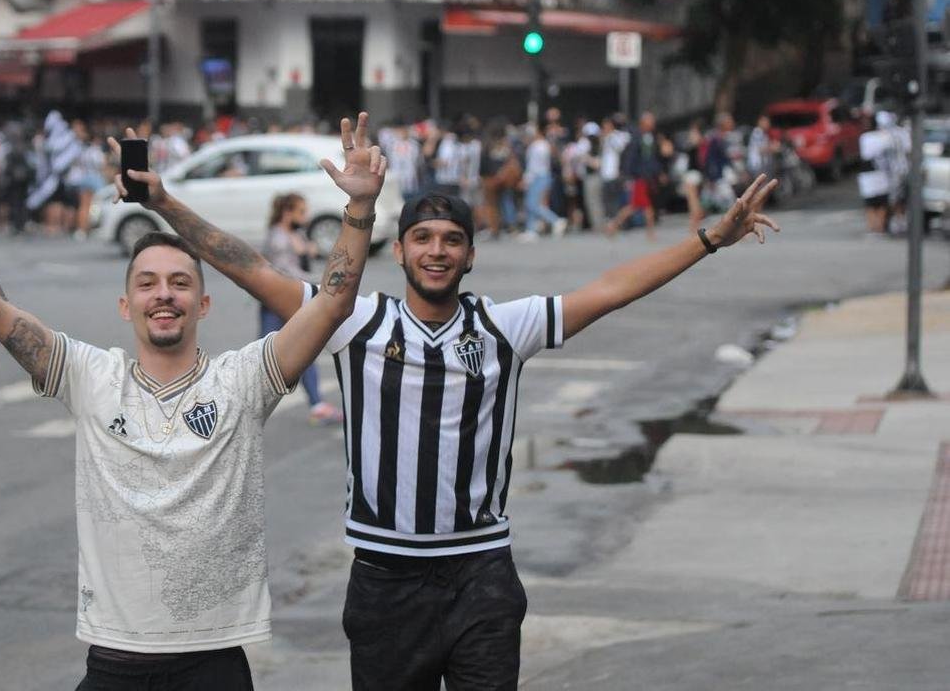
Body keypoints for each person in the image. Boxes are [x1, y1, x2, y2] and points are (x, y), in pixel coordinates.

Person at [125, 131, 782, 690]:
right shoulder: (354, 321)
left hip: (481, 577)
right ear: (402, 248)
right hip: (384, 580)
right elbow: (248, 266)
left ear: (470, 253)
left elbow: (609, 290)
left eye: (449, 239)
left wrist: (708, 238)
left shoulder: (505, 327)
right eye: (421, 237)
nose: (435, 250)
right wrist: (161, 202)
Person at [0, 112, 387, 690]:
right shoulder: (88, 376)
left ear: (202, 306)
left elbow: (330, 305)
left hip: (214, 663)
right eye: (147, 283)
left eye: (181, 283)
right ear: (125, 305)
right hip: (113, 662)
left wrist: (358, 209)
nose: (164, 294)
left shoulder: (244, 380)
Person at [260, 192, 343, 425]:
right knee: (266, 357)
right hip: (276, 304)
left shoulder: (293, 234)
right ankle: (247, 407)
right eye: (301, 212)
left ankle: (317, 405)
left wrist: (308, 252)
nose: (305, 217)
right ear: (287, 212)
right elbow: (286, 274)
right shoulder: (278, 238)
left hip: (290, 303)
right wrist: (322, 279)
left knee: (301, 354)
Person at [605, 111, 664, 240]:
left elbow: (653, 158)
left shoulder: (652, 137)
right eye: (650, 121)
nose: (652, 123)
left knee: (636, 206)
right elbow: (631, 159)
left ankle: (614, 226)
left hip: (648, 177)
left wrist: (658, 172)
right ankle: (649, 233)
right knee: (643, 206)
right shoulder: (636, 137)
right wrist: (629, 175)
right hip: (640, 177)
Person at [517, 121, 567, 242]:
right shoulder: (544, 144)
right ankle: (531, 230)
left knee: (532, 204)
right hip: (543, 176)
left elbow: (533, 166)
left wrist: (526, 180)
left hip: (537, 177)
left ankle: (555, 220)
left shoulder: (536, 147)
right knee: (532, 203)